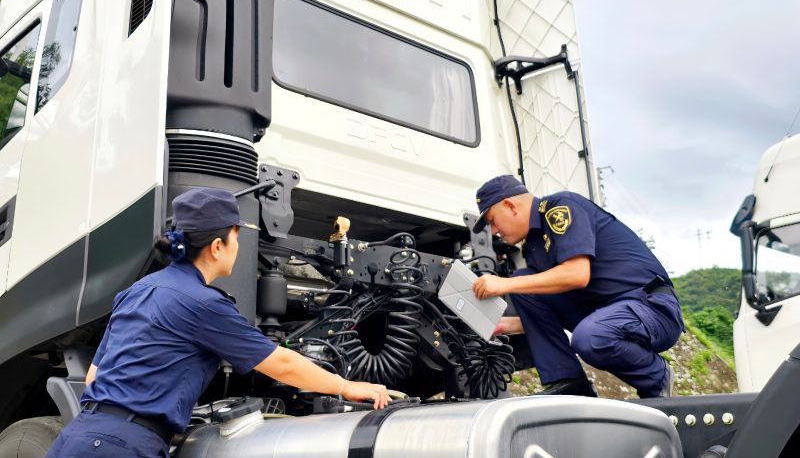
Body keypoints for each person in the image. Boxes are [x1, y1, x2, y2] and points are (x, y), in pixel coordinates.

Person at [47, 187, 389, 457]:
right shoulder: (203, 304)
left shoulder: (137, 290)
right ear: (216, 246)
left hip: (76, 437)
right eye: (236, 238)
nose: (238, 246)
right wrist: (346, 387)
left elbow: (95, 376)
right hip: (125, 447)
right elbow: (281, 364)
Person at [470, 175, 683, 398]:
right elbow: (547, 315)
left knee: (589, 336)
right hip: (608, 313)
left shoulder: (560, 207)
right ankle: (570, 382)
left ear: (510, 206)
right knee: (526, 283)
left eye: (492, 220)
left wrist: (504, 284)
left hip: (651, 307)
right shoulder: (533, 246)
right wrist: (506, 325)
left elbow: (576, 275)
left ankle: (657, 377)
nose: (493, 231)